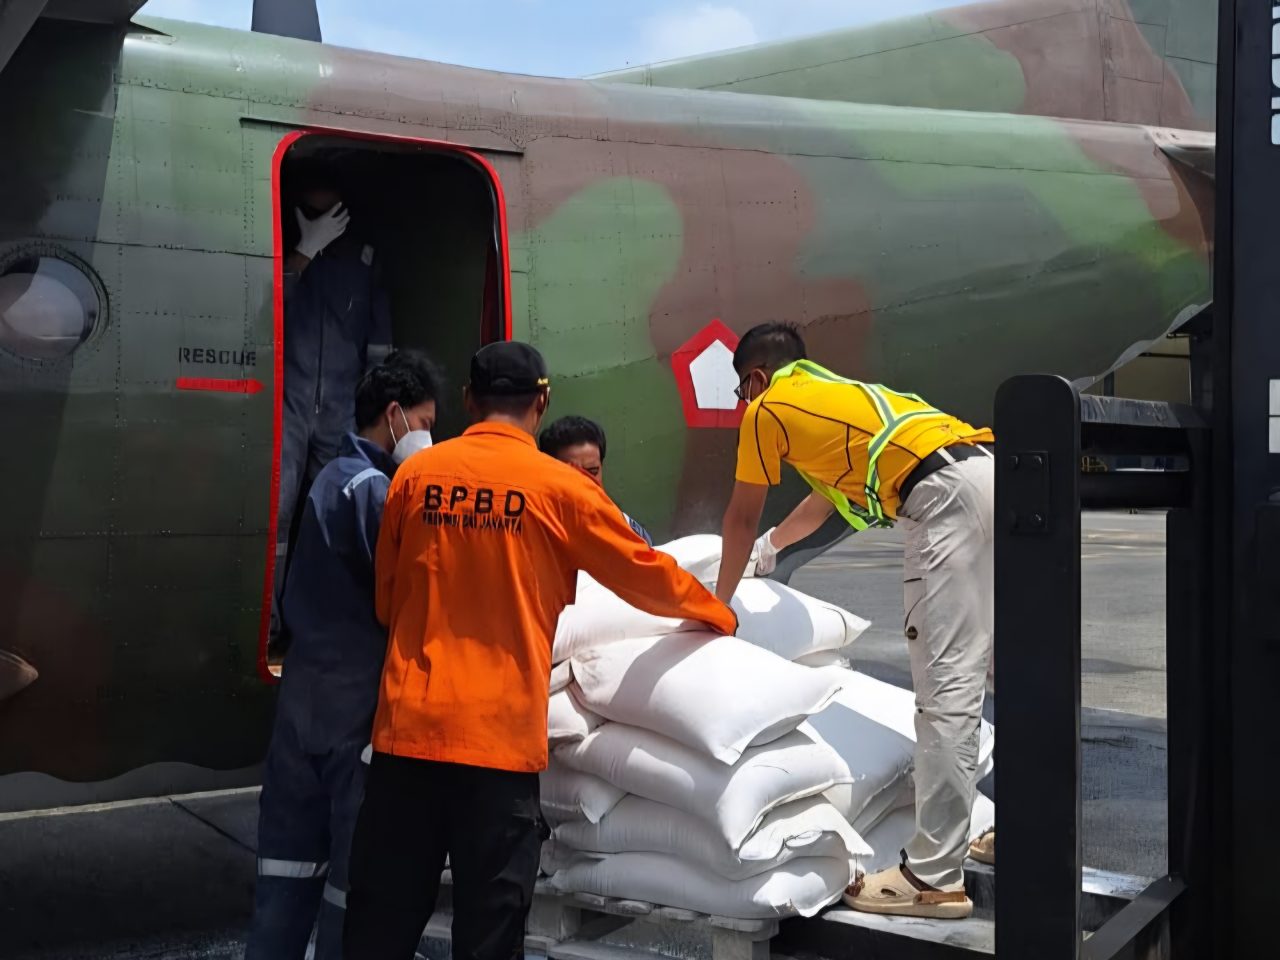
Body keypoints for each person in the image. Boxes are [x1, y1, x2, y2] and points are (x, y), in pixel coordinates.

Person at [343, 341, 737, 960]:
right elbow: (644, 572)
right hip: (497, 749)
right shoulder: (562, 489)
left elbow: (387, 602)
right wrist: (718, 613)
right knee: (491, 932)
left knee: (378, 927)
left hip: (407, 736)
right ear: (543, 401)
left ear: (470, 400)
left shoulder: (415, 476)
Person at [714, 322, 995, 920]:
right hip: (989, 476)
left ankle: (933, 878)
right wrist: (773, 547)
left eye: (742, 389)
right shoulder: (839, 398)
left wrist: (717, 603)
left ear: (757, 378)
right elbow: (819, 504)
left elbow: (738, 517)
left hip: (939, 499)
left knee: (945, 691)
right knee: (998, 673)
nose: (744, 403)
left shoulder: (768, 408)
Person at [246, 352, 440, 960]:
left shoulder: (328, 479)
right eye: (427, 421)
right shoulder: (377, 492)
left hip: (303, 698)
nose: (430, 435)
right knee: (351, 888)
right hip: (355, 704)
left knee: (283, 874)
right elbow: (411, 591)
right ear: (395, 415)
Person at [272, 157, 394, 653]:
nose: (319, 217)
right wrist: (302, 252)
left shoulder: (363, 256)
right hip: (289, 403)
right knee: (277, 516)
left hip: (342, 406)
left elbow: (380, 338)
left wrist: (374, 405)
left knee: (335, 515)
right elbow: (266, 310)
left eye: (328, 210)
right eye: (309, 210)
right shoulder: (286, 253)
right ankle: (272, 625)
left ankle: (321, 622)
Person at [538, 414, 654, 546]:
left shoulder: (629, 530)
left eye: (593, 471)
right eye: (571, 474)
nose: (585, 482)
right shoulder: (536, 537)